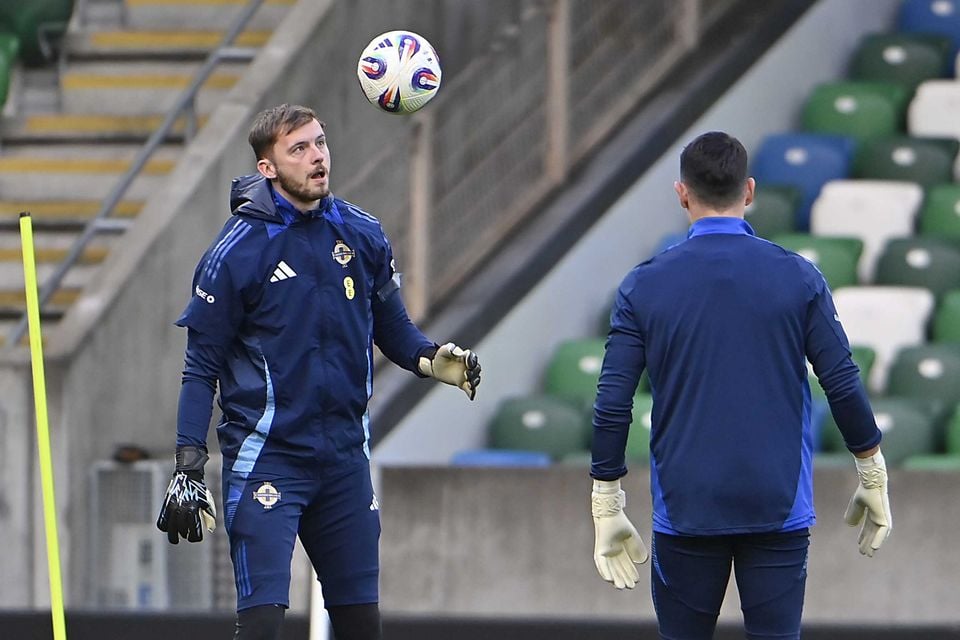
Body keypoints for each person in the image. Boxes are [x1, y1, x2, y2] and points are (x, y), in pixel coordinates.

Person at [156, 103, 481, 640]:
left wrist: (430, 359)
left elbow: (393, 328)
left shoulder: (363, 232)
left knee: (360, 627)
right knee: (261, 626)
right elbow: (200, 367)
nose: (317, 158)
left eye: (321, 143)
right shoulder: (233, 254)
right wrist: (188, 464)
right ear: (267, 168)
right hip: (269, 461)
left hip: (345, 462)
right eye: (299, 149)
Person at [588, 131, 891, 639]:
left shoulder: (643, 285)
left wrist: (607, 502)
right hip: (776, 504)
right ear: (749, 191)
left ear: (681, 193)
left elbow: (613, 404)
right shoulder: (799, 277)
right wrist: (872, 471)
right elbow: (840, 380)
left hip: (687, 505)